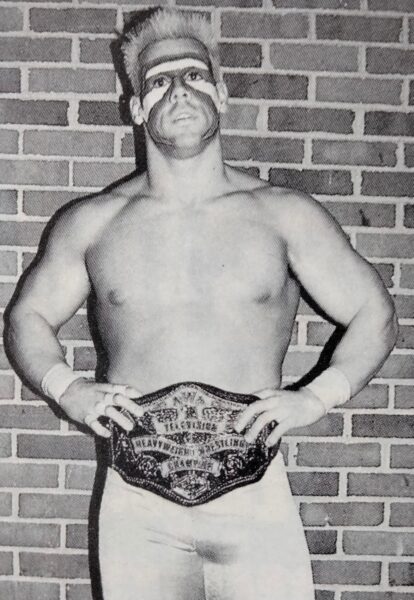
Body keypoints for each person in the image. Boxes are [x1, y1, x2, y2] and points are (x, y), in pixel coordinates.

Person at [5, 8, 397, 600]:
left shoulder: (283, 214)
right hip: (136, 502)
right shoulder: (93, 223)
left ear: (222, 94)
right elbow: (26, 318)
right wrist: (67, 388)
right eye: (159, 80)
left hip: (254, 496)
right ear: (137, 108)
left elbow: (376, 314)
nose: (179, 90)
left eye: (193, 74)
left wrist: (317, 397)